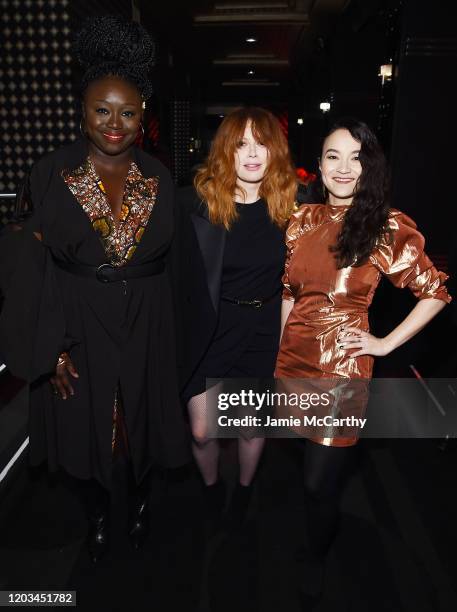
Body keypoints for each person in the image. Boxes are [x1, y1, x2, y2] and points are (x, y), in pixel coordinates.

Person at [0, 16, 189, 561]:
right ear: (81, 112)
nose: (114, 123)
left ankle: (140, 505)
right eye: (102, 110)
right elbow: (30, 263)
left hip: (146, 326)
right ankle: (100, 514)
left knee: (140, 435)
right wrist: (48, 345)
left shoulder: (159, 177)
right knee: (87, 439)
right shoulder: (50, 173)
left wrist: (173, 347)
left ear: (142, 116)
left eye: (126, 112)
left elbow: (174, 269)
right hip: (76, 327)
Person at [275, 118, 451, 605]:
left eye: (356, 157)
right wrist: (277, 354)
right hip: (293, 362)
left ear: (369, 166)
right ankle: (316, 533)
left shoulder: (385, 225)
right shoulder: (302, 219)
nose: (344, 167)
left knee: (317, 481)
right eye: (333, 156)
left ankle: (316, 554)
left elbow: (434, 292)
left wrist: (385, 344)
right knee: (311, 470)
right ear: (320, 165)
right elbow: (288, 293)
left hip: (343, 369)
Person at [176, 107, 297, 527]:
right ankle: (210, 486)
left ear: (274, 152)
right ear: (225, 151)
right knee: (202, 430)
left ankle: (245, 489)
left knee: (249, 428)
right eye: (241, 143)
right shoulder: (197, 206)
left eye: (261, 143)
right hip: (210, 329)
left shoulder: (292, 211)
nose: (251, 153)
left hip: (262, 329)